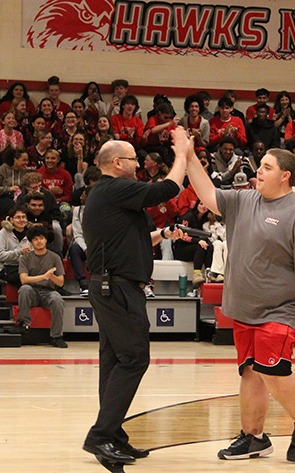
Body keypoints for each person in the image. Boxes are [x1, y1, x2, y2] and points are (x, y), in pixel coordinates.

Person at [185, 137, 295, 463]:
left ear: (285, 175)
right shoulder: (244, 201)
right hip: (243, 308)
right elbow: (208, 194)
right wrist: (187, 157)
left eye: (267, 168)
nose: (259, 173)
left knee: (273, 370)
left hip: (280, 310)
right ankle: (253, 437)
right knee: (251, 372)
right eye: (260, 166)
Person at [81, 135, 187, 465]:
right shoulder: (113, 188)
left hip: (112, 286)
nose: (138, 165)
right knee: (134, 358)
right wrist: (182, 153)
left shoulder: (112, 196)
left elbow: (130, 239)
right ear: (116, 164)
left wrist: (163, 235)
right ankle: (100, 436)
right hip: (118, 288)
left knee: (114, 361)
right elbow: (167, 190)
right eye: (133, 160)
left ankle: (111, 434)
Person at [14, 225, 67, 348]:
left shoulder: (55, 257)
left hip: (48, 291)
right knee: (24, 289)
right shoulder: (25, 258)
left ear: (46, 240)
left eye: (41, 238)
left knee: (57, 299)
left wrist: (51, 276)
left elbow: (60, 282)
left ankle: (56, 336)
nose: (39, 241)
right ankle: (23, 325)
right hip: (32, 291)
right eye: (36, 239)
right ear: (31, 242)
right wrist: (43, 276)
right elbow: (23, 280)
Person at [173, 199, 214, 290]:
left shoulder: (206, 218)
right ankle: (197, 274)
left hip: (195, 246)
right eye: (201, 204)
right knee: (200, 246)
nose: (203, 207)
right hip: (181, 248)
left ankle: (209, 272)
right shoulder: (188, 217)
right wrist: (197, 241)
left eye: (206, 205)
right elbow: (181, 236)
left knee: (209, 245)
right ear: (196, 205)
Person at [0, 206, 32, 286]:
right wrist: (19, 252)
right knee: (26, 281)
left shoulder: (31, 233)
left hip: (24, 268)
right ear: (11, 220)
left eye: (23, 217)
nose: (21, 220)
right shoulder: (3, 233)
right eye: (18, 217)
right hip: (5, 267)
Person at [0, 149, 31, 217]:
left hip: (20, 199)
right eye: (24, 160)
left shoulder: (26, 172)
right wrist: (9, 189)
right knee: (11, 205)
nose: (26, 163)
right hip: (1, 199)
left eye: (27, 160)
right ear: (15, 159)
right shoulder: (0, 171)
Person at [67, 186, 90, 295]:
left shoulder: (104, 211)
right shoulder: (77, 210)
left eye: (83, 195)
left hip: (99, 246)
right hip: (84, 246)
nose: (80, 198)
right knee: (74, 249)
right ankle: (82, 282)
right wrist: (86, 249)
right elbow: (78, 234)